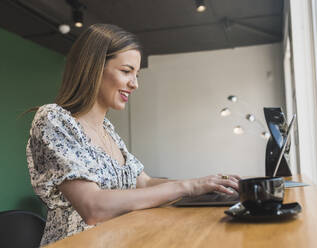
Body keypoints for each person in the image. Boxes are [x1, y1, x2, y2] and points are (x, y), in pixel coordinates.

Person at [26, 24, 239, 246]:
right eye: (126, 71)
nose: (135, 84)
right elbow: (93, 206)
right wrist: (186, 187)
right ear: (94, 67)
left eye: (136, 74)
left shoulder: (107, 130)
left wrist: (204, 186)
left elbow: (144, 183)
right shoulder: (53, 119)